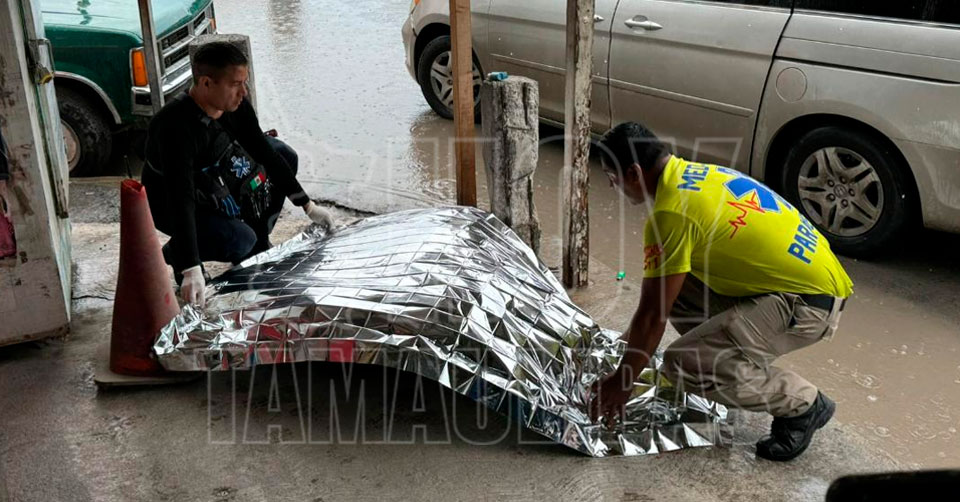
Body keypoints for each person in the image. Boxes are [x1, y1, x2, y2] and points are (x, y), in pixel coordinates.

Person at [590, 122, 853, 461]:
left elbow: (653, 316)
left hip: (808, 305)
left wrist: (621, 382)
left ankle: (803, 404)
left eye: (612, 177)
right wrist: (629, 345)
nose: (612, 186)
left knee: (682, 364)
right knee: (672, 283)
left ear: (634, 173)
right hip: (800, 284)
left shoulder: (671, 212)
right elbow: (654, 302)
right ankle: (728, 360)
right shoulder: (694, 175)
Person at [143, 42, 334, 307]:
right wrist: (190, 266)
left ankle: (259, 238)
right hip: (171, 203)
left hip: (214, 178)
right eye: (235, 84)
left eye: (244, 82)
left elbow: (265, 152)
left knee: (284, 155)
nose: (243, 92)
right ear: (206, 83)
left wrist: (307, 205)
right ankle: (177, 252)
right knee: (241, 240)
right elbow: (180, 196)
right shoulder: (173, 127)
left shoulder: (236, 107)